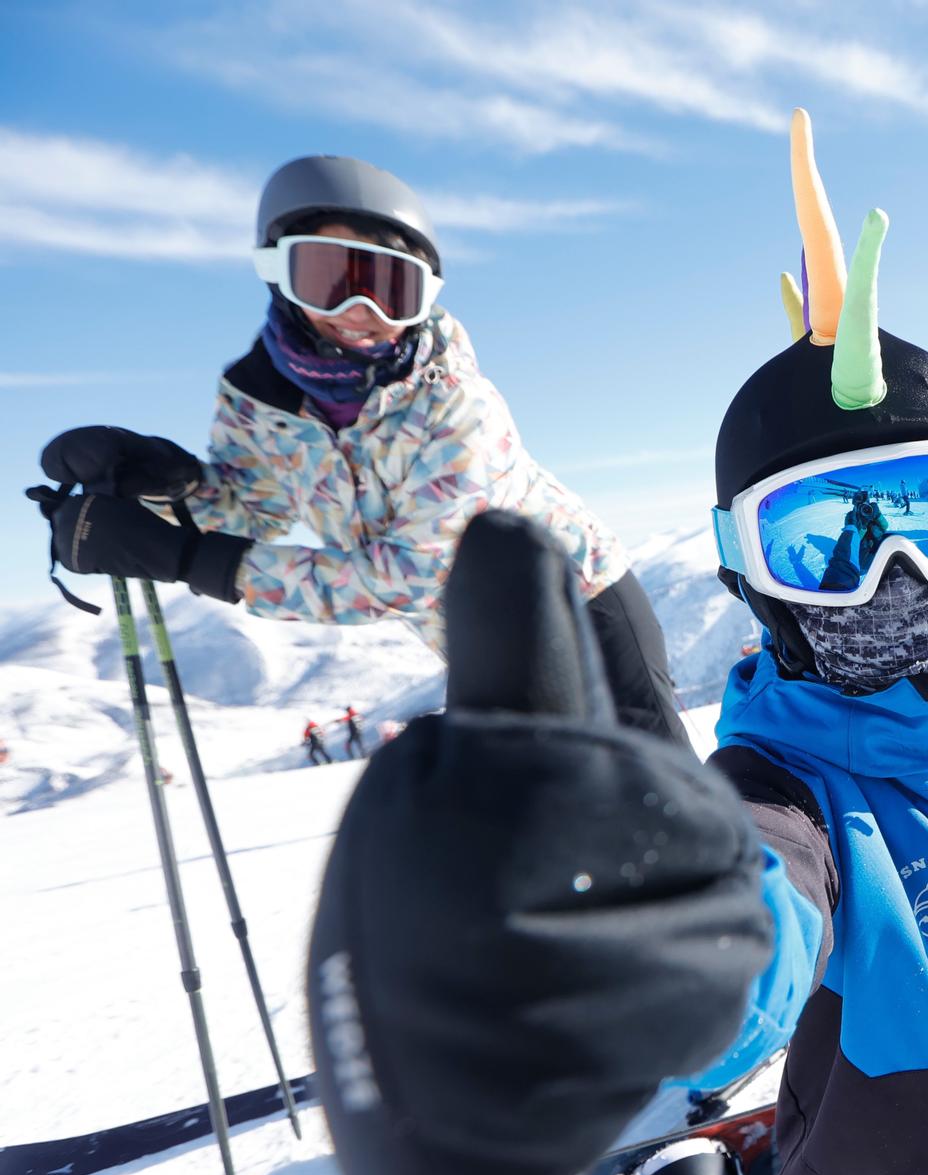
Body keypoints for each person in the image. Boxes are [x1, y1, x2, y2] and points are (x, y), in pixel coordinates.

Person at [303, 109, 928, 1175]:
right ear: (750, 573)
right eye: (825, 539)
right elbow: (755, 904)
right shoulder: (792, 792)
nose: (893, 579)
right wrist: (619, 965)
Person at [24, 155, 688, 748]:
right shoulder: (256, 399)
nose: (360, 307)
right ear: (276, 271)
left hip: (582, 604)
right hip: (476, 640)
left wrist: (191, 559)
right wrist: (168, 488)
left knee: (668, 804)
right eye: (327, 275)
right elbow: (251, 510)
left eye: (389, 287)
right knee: (518, 834)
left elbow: (410, 577)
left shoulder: (455, 404)